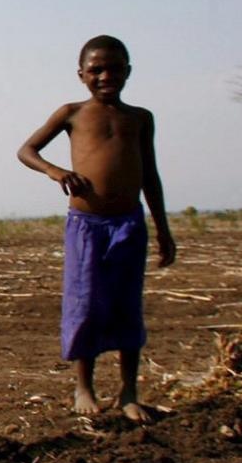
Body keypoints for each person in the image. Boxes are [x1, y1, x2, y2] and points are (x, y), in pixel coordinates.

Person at [17, 36, 176, 421]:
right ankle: (83, 386)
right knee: (85, 303)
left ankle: (128, 390)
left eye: (115, 69)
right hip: (86, 226)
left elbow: (150, 176)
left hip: (129, 224)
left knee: (126, 305)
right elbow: (26, 151)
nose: (106, 76)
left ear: (128, 71)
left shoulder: (140, 118)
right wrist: (56, 171)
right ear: (81, 74)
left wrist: (163, 229)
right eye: (96, 70)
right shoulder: (71, 113)